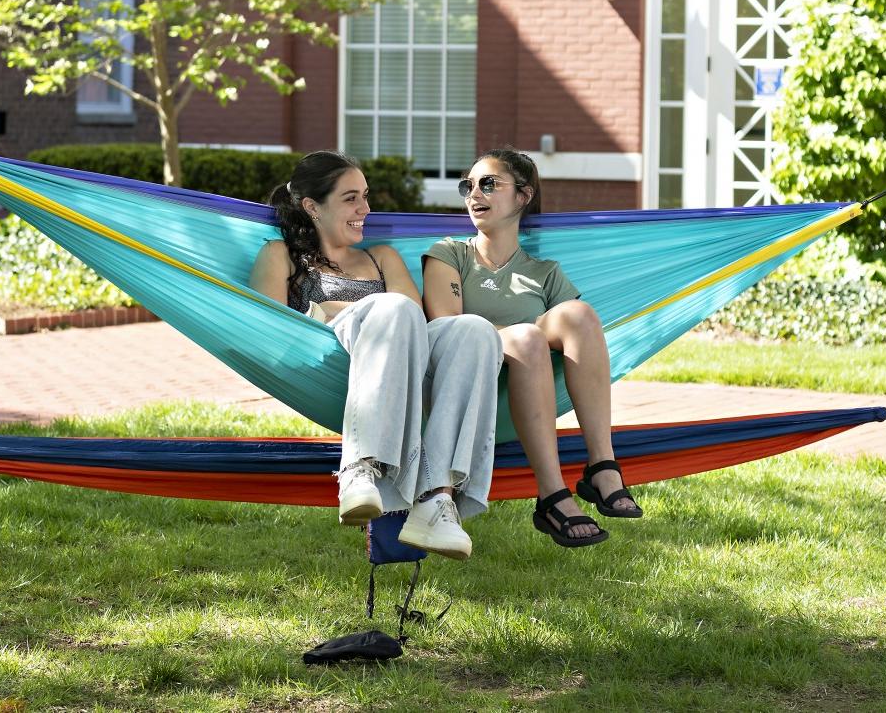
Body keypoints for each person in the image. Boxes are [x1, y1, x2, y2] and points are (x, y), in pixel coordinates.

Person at [250, 150, 502, 561]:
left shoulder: (380, 257)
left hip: (400, 365)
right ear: (312, 206)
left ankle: (436, 499)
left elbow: (412, 327)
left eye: (365, 196)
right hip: (330, 364)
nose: (365, 209)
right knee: (392, 307)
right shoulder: (282, 256)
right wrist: (341, 314)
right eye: (351, 198)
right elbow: (272, 331)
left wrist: (330, 308)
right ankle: (358, 468)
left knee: (475, 330)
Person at [422, 147, 642, 549]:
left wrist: (533, 335)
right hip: (467, 388)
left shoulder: (545, 272)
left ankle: (602, 464)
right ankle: (551, 494)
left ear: (523, 196)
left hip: (533, 388)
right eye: (467, 186)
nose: (474, 194)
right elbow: (447, 324)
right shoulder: (450, 253)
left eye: (489, 184)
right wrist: (524, 333)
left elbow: (580, 337)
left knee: (580, 315)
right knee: (526, 336)